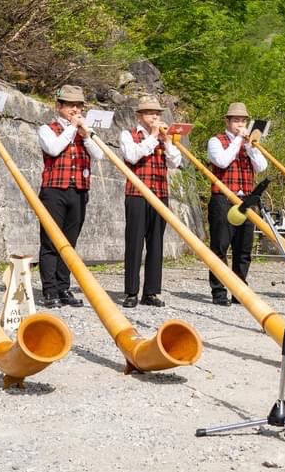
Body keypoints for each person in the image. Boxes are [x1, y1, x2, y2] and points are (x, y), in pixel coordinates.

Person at [36, 85, 103, 308]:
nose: (75, 109)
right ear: (59, 107)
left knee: (70, 243)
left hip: (79, 190)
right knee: (50, 241)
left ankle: (64, 287)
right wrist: (72, 128)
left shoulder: (84, 131)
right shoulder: (47, 128)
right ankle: (49, 289)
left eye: (78, 106)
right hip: (54, 190)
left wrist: (85, 135)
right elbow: (54, 149)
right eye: (70, 105)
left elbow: (99, 154)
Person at [119, 95, 181, 307]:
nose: (155, 116)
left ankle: (151, 292)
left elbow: (175, 163)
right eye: (150, 113)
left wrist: (169, 143)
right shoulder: (128, 134)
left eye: (157, 113)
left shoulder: (163, 137)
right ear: (139, 115)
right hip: (136, 194)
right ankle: (131, 292)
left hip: (160, 193)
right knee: (134, 243)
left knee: (156, 244)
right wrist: (153, 136)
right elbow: (132, 156)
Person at [205, 101, 267, 305]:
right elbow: (221, 161)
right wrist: (238, 141)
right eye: (236, 120)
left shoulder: (248, 143)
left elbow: (261, 167)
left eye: (243, 120)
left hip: (246, 199)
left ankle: (239, 289)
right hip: (223, 198)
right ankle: (219, 291)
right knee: (220, 246)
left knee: (243, 249)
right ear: (228, 121)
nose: (240, 124)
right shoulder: (216, 140)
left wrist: (250, 148)